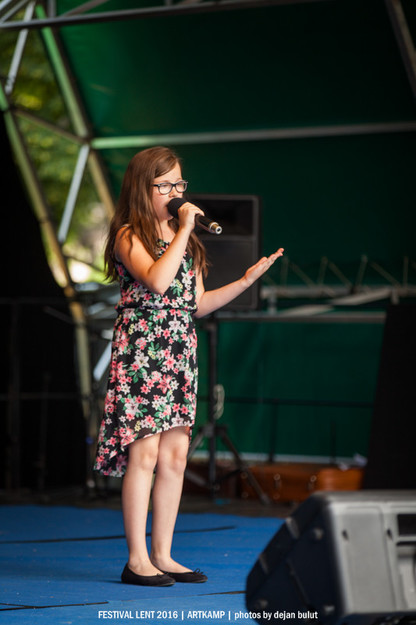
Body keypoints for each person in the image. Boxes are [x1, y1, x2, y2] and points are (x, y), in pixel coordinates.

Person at [94, 146, 284, 587]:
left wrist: (244, 281)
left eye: (179, 183)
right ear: (142, 188)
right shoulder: (129, 235)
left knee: (175, 456)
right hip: (143, 352)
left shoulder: (188, 241)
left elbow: (195, 304)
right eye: (165, 185)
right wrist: (182, 228)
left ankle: (162, 553)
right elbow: (158, 282)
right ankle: (137, 559)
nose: (176, 192)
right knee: (144, 454)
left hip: (179, 351)